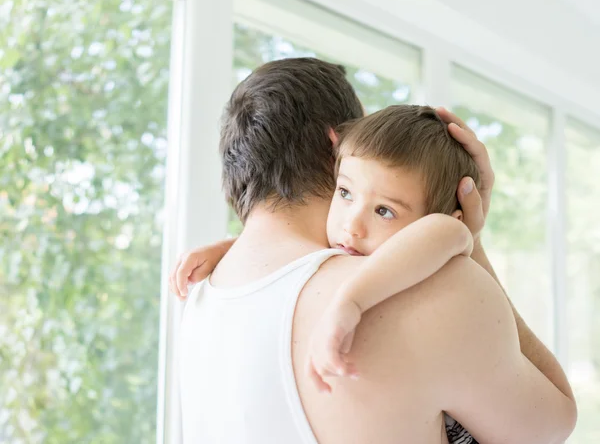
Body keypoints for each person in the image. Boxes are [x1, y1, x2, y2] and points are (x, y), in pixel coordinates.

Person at [173, 58, 577, 444]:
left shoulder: (201, 296)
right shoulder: (436, 291)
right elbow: (555, 422)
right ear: (337, 148)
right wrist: (476, 247)